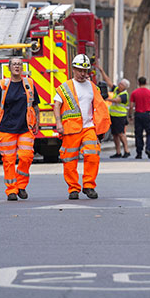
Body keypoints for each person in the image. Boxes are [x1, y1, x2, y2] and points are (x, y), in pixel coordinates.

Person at [54, 54, 110, 200]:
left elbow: (99, 106)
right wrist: (58, 123)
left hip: (88, 127)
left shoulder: (92, 87)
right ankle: (73, 188)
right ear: (73, 69)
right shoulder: (65, 87)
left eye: (85, 71)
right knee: (69, 160)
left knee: (93, 155)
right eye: (79, 70)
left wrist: (101, 127)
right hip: (70, 128)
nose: (82, 74)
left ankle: (89, 185)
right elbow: (57, 105)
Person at [0, 56, 40, 201]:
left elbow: (35, 105)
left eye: (19, 64)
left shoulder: (29, 83)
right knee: (9, 161)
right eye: (14, 64)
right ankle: (11, 190)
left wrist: (37, 122)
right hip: (6, 128)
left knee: (26, 156)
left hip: (25, 127)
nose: (17, 66)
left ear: (22, 67)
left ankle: (21, 186)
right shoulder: (3, 85)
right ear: (9, 67)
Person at [98, 68, 131, 158]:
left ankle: (126, 150)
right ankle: (118, 152)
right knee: (115, 135)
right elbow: (108, 81)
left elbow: (117, 100)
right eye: (120, 83)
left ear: (125, 87)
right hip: (113, 116)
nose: (119, 85)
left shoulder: (124, 95)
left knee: (121, 134)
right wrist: (102, 71)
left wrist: (106, 99)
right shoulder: (116, 89)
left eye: (121, 84)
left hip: (120, 117)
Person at [130, 76, 150, 159]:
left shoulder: (134, 93)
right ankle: (148, 148)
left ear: (138, 83)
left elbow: (131, 105)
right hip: (147, 115)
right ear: (146, 83)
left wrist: (130, 115)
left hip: (138, 114)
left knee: (138, 134)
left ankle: (139, 152)